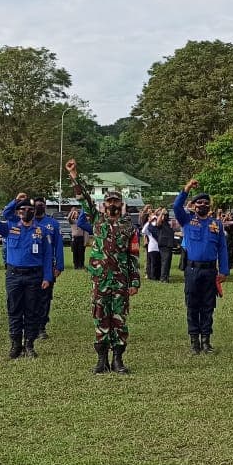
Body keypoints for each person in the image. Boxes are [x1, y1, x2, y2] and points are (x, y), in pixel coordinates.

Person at [69, 159, 141, 374]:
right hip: (100, 280)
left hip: (120, 281)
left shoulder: (129, 227)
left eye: (115, 202)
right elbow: (83, 198)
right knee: (100, 317)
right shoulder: (96, 220)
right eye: (108, 202)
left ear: (121, 205)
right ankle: (101, 360)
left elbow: (133, 256)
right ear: (104, 205)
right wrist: (74, 175)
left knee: (119, 320)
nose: (112, 205)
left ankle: (118, 360)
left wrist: (135, 281)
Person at [0, 192, 54, 359]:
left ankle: (29, 344)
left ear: (34, 212)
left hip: (34, 276)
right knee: (14, 310)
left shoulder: (42, 231)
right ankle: (16, 344)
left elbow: (48, 256)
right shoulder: (10, 227)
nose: (26, 212)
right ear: (18, 212)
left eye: (30, 209)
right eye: (23, 209)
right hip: (14, 275)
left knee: (32, 311)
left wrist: (47, 277)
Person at [171, 180, 229, 355]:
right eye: (199, 203)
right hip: (192, 270)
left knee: (208, 306)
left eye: (206, 203)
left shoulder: (216, 224)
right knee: (192, 305)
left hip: (210, 270)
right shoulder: (187, 220)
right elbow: (176, 206)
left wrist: (224, 270)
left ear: (209, 206)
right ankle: (194, 340)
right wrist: (186, 189)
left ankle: (206, 340)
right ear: (194, 206)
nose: (203, 205)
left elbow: (222, 248)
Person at [4, 195, 62, 340]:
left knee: (43, 299)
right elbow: (6, 216)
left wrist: (58, 266)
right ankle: (21, 337)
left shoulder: (51, 224)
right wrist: (15, 201)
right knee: (21, 304)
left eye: (41, 205)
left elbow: (57, 247)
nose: (36, 208)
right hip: (21, 271)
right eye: (36, 205)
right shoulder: (21, 223)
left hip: (44, 268)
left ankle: (41, 326)